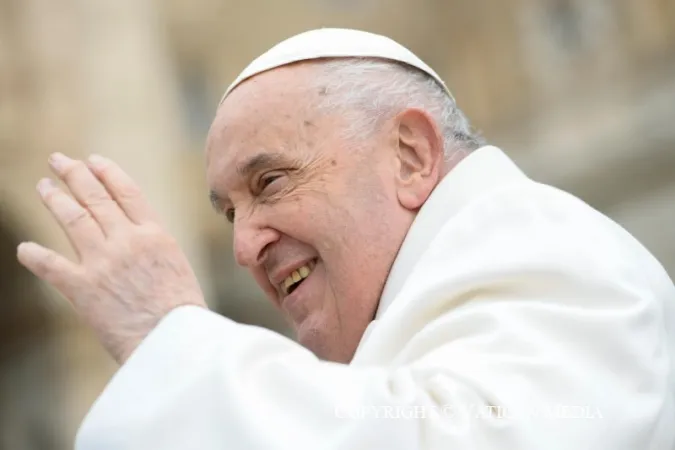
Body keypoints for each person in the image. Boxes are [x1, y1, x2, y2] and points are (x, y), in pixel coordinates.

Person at [17, 28, 675, 450]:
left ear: (411, 157)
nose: (243, 248)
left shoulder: (545, 245)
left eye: (271, 181)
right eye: (227, 216)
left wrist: (167, 335)